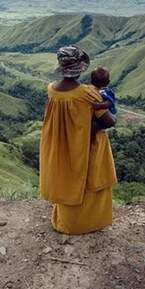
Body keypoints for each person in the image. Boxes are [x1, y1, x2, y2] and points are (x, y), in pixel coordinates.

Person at [39, 45, 117, 235]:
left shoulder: (51, 90)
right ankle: (88, 224)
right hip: (87, 146)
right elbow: (108, 121)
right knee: (89, 181)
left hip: (62, 146)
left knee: (67, 179)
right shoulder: (87, 94)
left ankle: (67, 223)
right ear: (81, 68)